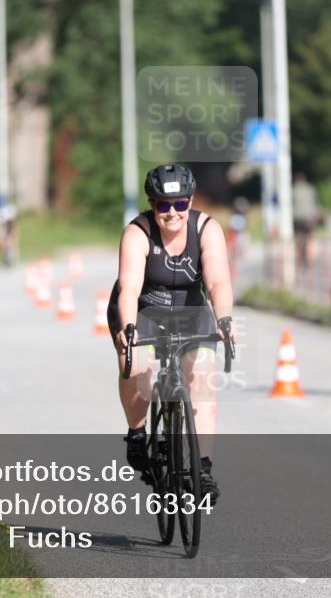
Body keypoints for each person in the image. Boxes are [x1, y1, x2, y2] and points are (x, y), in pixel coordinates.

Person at [108, 164, 234, 502]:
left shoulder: (207, 229)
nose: (173, 212)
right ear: (152, 204)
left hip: (191, 311)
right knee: (138, 367)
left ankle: (203, 470)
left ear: (191, 201)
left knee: (203, 382)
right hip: (142, 309)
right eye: (164, 205)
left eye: (180, 204)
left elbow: (218, 280)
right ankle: (137, 435)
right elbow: (130, 288)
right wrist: (130, 330)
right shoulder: (137, 233)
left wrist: (224, 319)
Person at [292, 173, 321, 268]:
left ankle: (300, 255)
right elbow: (315, 202)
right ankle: (310, 258)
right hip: (309, 217)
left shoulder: (293, 190)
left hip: (297, 217)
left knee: (299, 235)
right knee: (310, 236)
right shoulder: (310, 189)